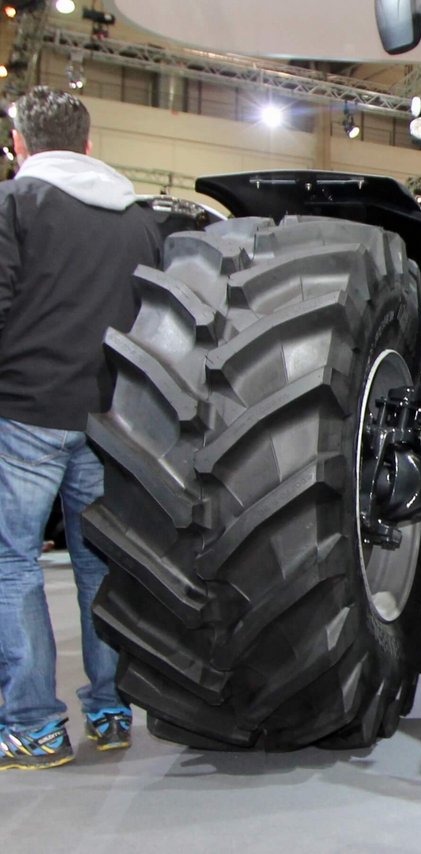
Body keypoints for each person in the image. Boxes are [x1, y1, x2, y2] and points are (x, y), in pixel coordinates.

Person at [0, 86, 162, 769]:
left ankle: (32, 725)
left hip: (24, 415)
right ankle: (110, 711)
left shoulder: (15, 205)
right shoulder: (139, 219)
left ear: (19, 145)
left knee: (12, 569)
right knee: (102, 568)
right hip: (107, 419)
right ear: (90, 145)